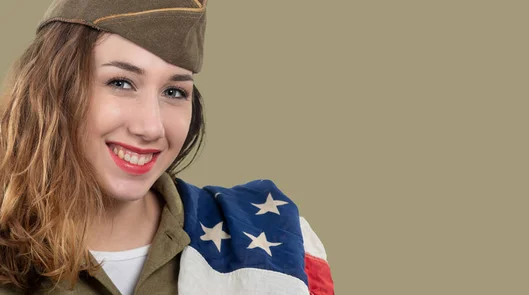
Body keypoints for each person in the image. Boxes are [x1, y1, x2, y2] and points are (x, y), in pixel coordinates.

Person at [0, 1, 334, 294]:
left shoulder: (276, 244)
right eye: (121, 83)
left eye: (174, 92)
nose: (151, 127)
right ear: (53, 90)